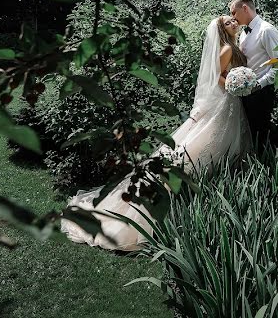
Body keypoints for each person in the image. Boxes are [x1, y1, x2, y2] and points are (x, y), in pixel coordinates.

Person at [60, 15, 250, 251]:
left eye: (233, 19)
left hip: (230, 104)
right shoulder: (226, 49)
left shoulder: (233, 45)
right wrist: (234, 84)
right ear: (222, 30)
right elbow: (217, 78)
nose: (233, 22)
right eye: (228, 22)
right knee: (203, 146)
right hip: (224, 103)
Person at [228, 0, 278, 147]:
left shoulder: (266, 30)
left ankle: (269, 167)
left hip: (262, 91)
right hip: (247, 91)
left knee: (261, 136)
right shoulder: (244, 34)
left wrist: (259, 84)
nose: (232, 17)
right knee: (252, 135)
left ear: (245, 8)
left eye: (234, 12)